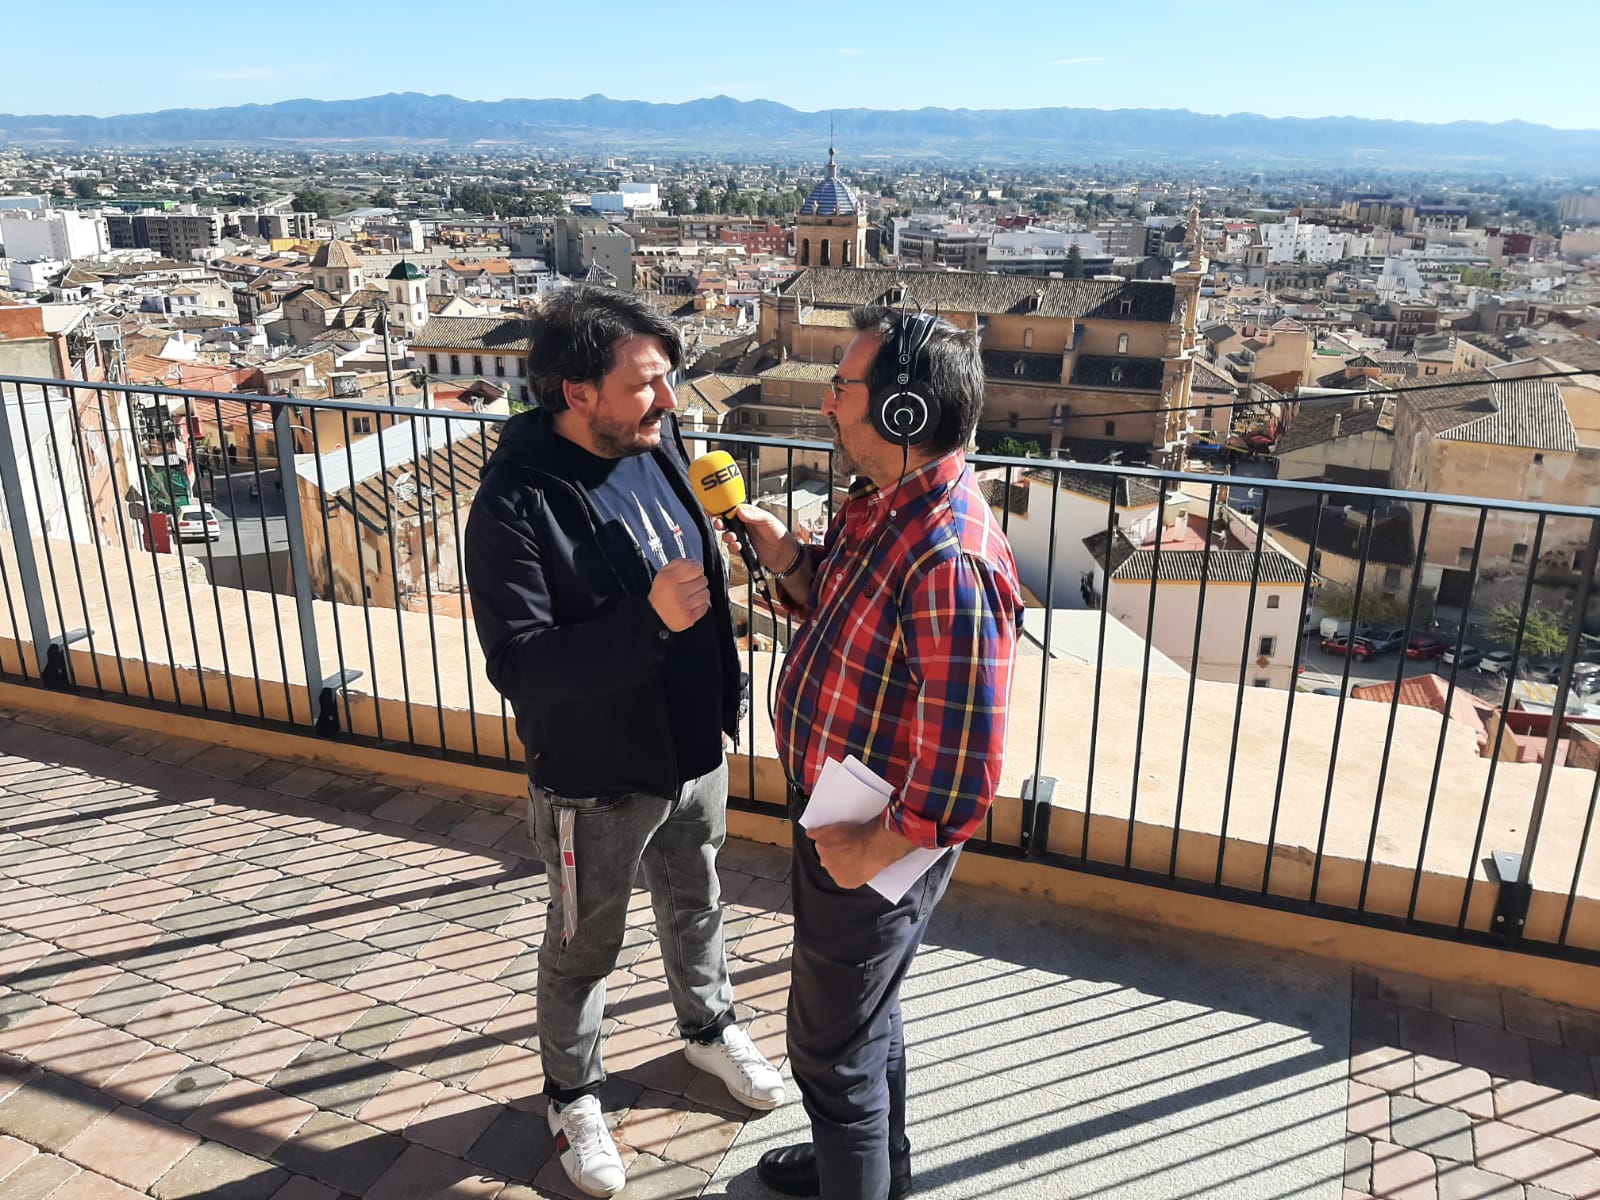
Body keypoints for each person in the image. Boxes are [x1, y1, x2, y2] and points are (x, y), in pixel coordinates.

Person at [464, 285, 784, 1199]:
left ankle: (709, 1027)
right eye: (647, 383)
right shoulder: (511, 509)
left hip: (695, 751)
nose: (671, 401)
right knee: (583, 946)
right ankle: (571, 1095)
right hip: (595, 778)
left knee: (699, 903)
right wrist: (646, 623)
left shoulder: (659, 445)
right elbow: (523, 668)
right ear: (577, 392)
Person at [729, 305, 1022, 1200]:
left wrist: (872, 849)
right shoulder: (883, 509)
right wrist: (788, 562)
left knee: (830, 1053)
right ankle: (865, 1174)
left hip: (876, 837)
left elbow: (968, 761)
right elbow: (841, 613)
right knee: (866, 1021)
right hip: (844, 815)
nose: (827, 405)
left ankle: (849, 1168)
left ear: (902, 413)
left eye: (843, 387)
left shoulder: (949, 557)